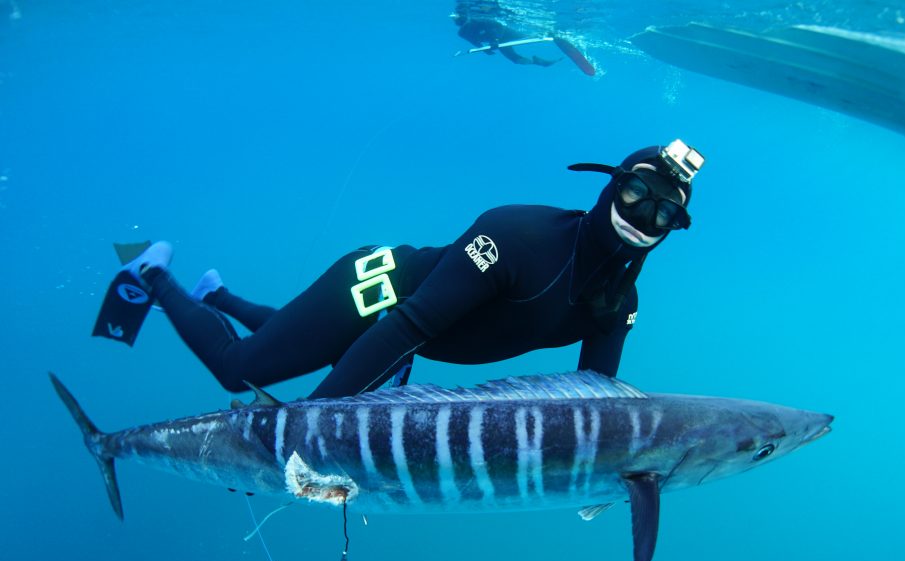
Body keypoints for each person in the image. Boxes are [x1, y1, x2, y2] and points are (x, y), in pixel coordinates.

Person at [100, 139, 705, 399]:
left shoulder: (618, 303)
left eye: (664, 213)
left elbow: (592, 401)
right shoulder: (516, 234)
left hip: (409, 334)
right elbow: (403, 328)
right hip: (378, 293)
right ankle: (156, 273)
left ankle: (220, 295)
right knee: (240, 372)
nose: (643, 218)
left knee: (294, 333)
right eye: (636, 194)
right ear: (611, 184)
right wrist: (309, 429)